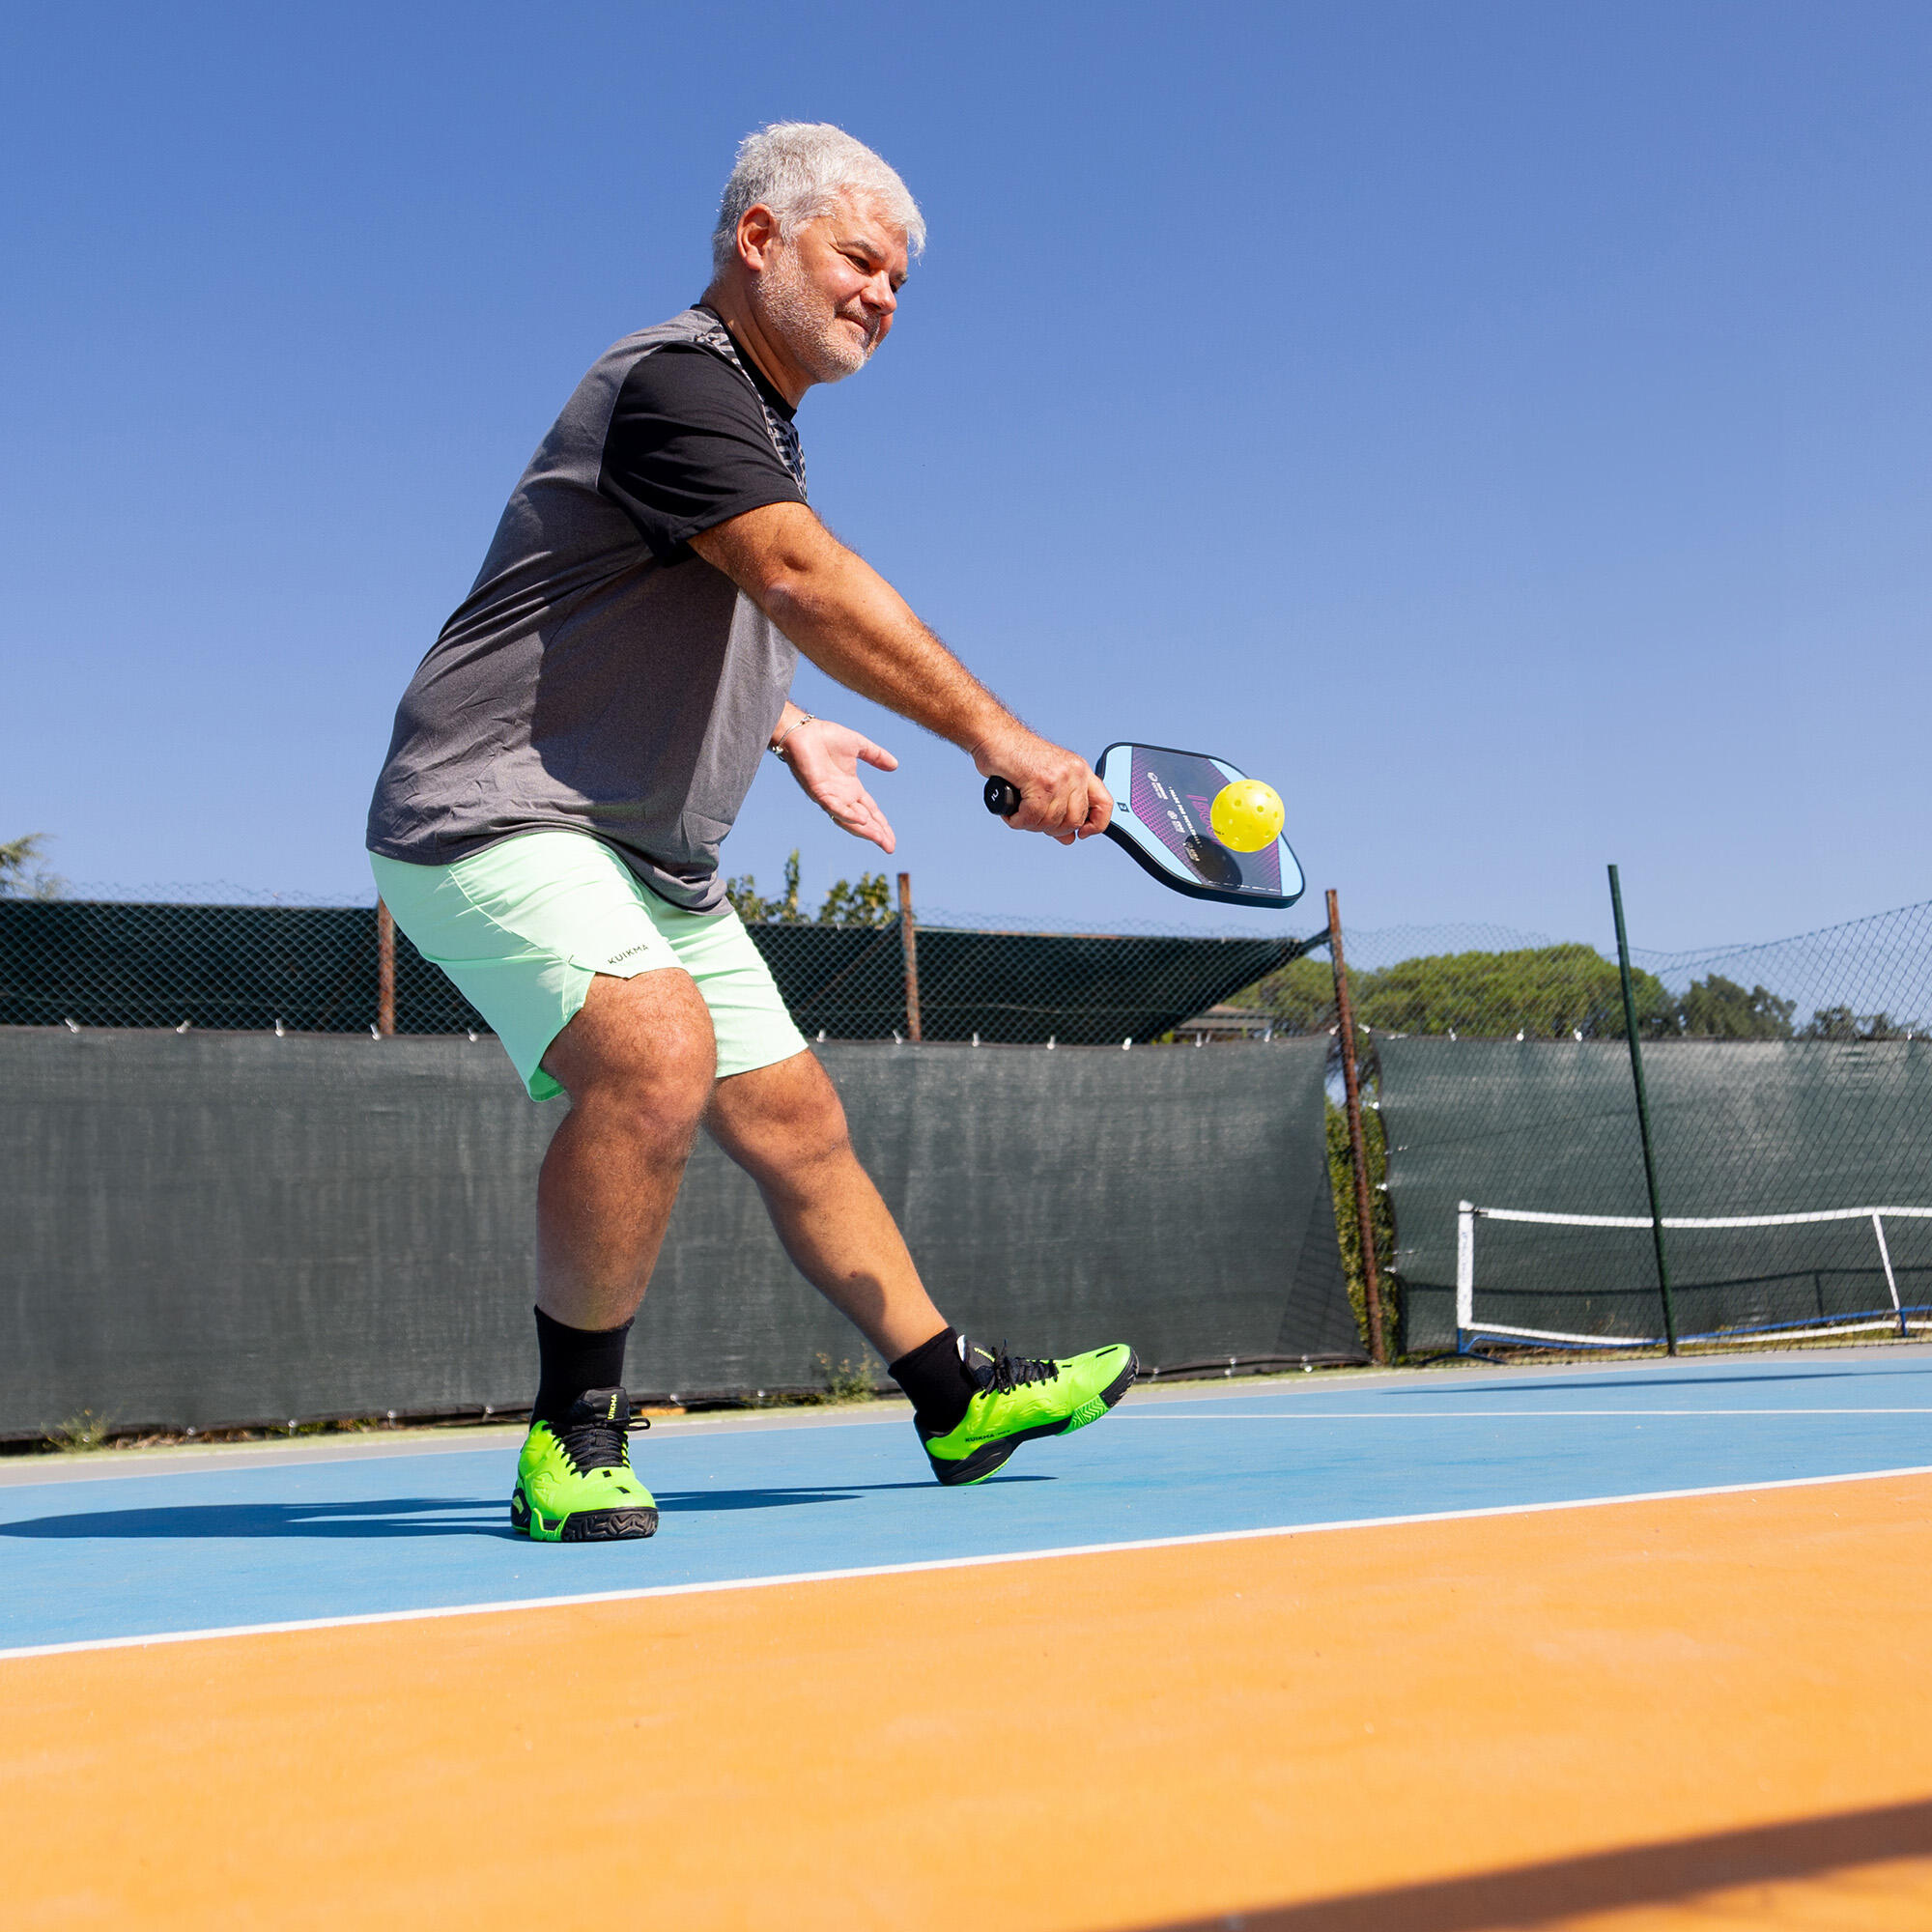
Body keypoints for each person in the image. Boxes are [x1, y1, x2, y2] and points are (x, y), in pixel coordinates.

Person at [366, 123, 1135, 1544]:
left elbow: (683, 592)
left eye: (900, 280)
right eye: (860, 259)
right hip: (487, 813)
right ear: (758, 241)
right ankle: (570, 1437)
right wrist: (1004, 742)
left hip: (640, 850)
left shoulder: (750, 424)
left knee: (796, 1120)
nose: (884, 297)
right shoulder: (676, 381)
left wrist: (786, 726)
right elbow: (793, 570)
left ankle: (951, 1391)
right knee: (659, 1051)